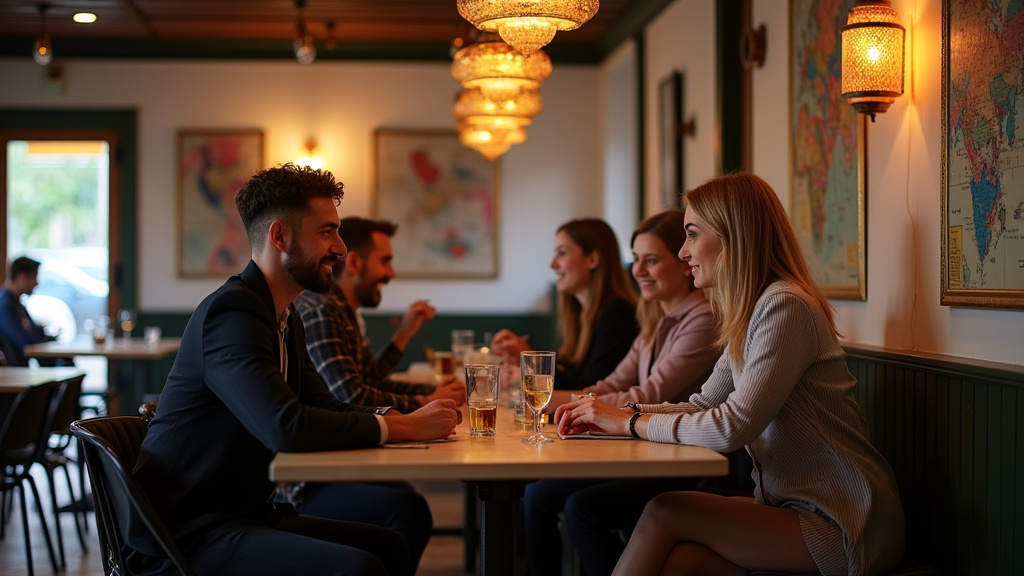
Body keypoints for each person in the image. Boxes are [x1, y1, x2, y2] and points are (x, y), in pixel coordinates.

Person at [556, 172, 905, 576]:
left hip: (846, 522)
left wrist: (628, 421)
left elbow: (731, 428)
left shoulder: (785, 305)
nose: (683, 252)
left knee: (664, 509)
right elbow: (703, 405)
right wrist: (612, 414)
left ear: (733, 235)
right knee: (676, 562)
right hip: (793, 507)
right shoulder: (753, 309)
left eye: (691, 234)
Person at [133, 164, 461, 576]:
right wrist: (406, 429)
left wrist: (398, 416)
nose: (340, 249)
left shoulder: (284, 314)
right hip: (186, 533)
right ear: (280, 236)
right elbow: (284, 426)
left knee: (389, 546)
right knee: (359, 568)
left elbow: (322, 403)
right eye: (326, 232)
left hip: (243, 513)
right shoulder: (232, 311)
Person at [523, 210, 722, 576]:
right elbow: (612, 383)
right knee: (538, 494)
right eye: (637, 260)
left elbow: (649, 392)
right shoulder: (655, 318)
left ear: (682, 262)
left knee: (579, 507)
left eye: (652, 260)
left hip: (688, 462)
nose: (639, 271)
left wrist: (559, 402)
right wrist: (568, 401)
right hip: (648, 451)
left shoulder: (703, 319)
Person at [286, 216, 466, 571]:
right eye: (385, 261)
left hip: (328, 460)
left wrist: (426, 391)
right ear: (355, 263)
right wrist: (420, 404)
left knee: (408, 499)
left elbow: (370, 377)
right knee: (410, 510)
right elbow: (352, 393)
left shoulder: (341, 309)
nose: (391, 272)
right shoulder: (322, 308)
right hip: (305, 480)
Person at [491, 218, 638, 390]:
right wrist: (522, 358)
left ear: (592, 259)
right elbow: (569, 373)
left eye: (562, 253)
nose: (552, 264)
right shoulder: (581, 312)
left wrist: (530, 358)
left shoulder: (618, 313)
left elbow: (590, 390)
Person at [0, 256, 58, 366]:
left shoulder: (16, 303)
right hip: (14, 373)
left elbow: (34, 332)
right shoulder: (5, 306)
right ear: (22, 277)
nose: (37, 283)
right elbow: (24, 340)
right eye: (34, 277)